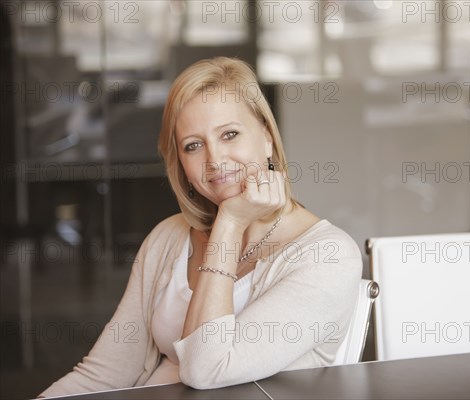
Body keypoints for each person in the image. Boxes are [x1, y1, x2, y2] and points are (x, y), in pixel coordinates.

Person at [39, 57, 362, 396]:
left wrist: (230, 223)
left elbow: (206, 369)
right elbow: (103, 375)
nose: (215, 160)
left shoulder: (329, 257)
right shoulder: (169, 237)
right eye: (193, 145)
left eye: (230, 134)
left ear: (267, 139)